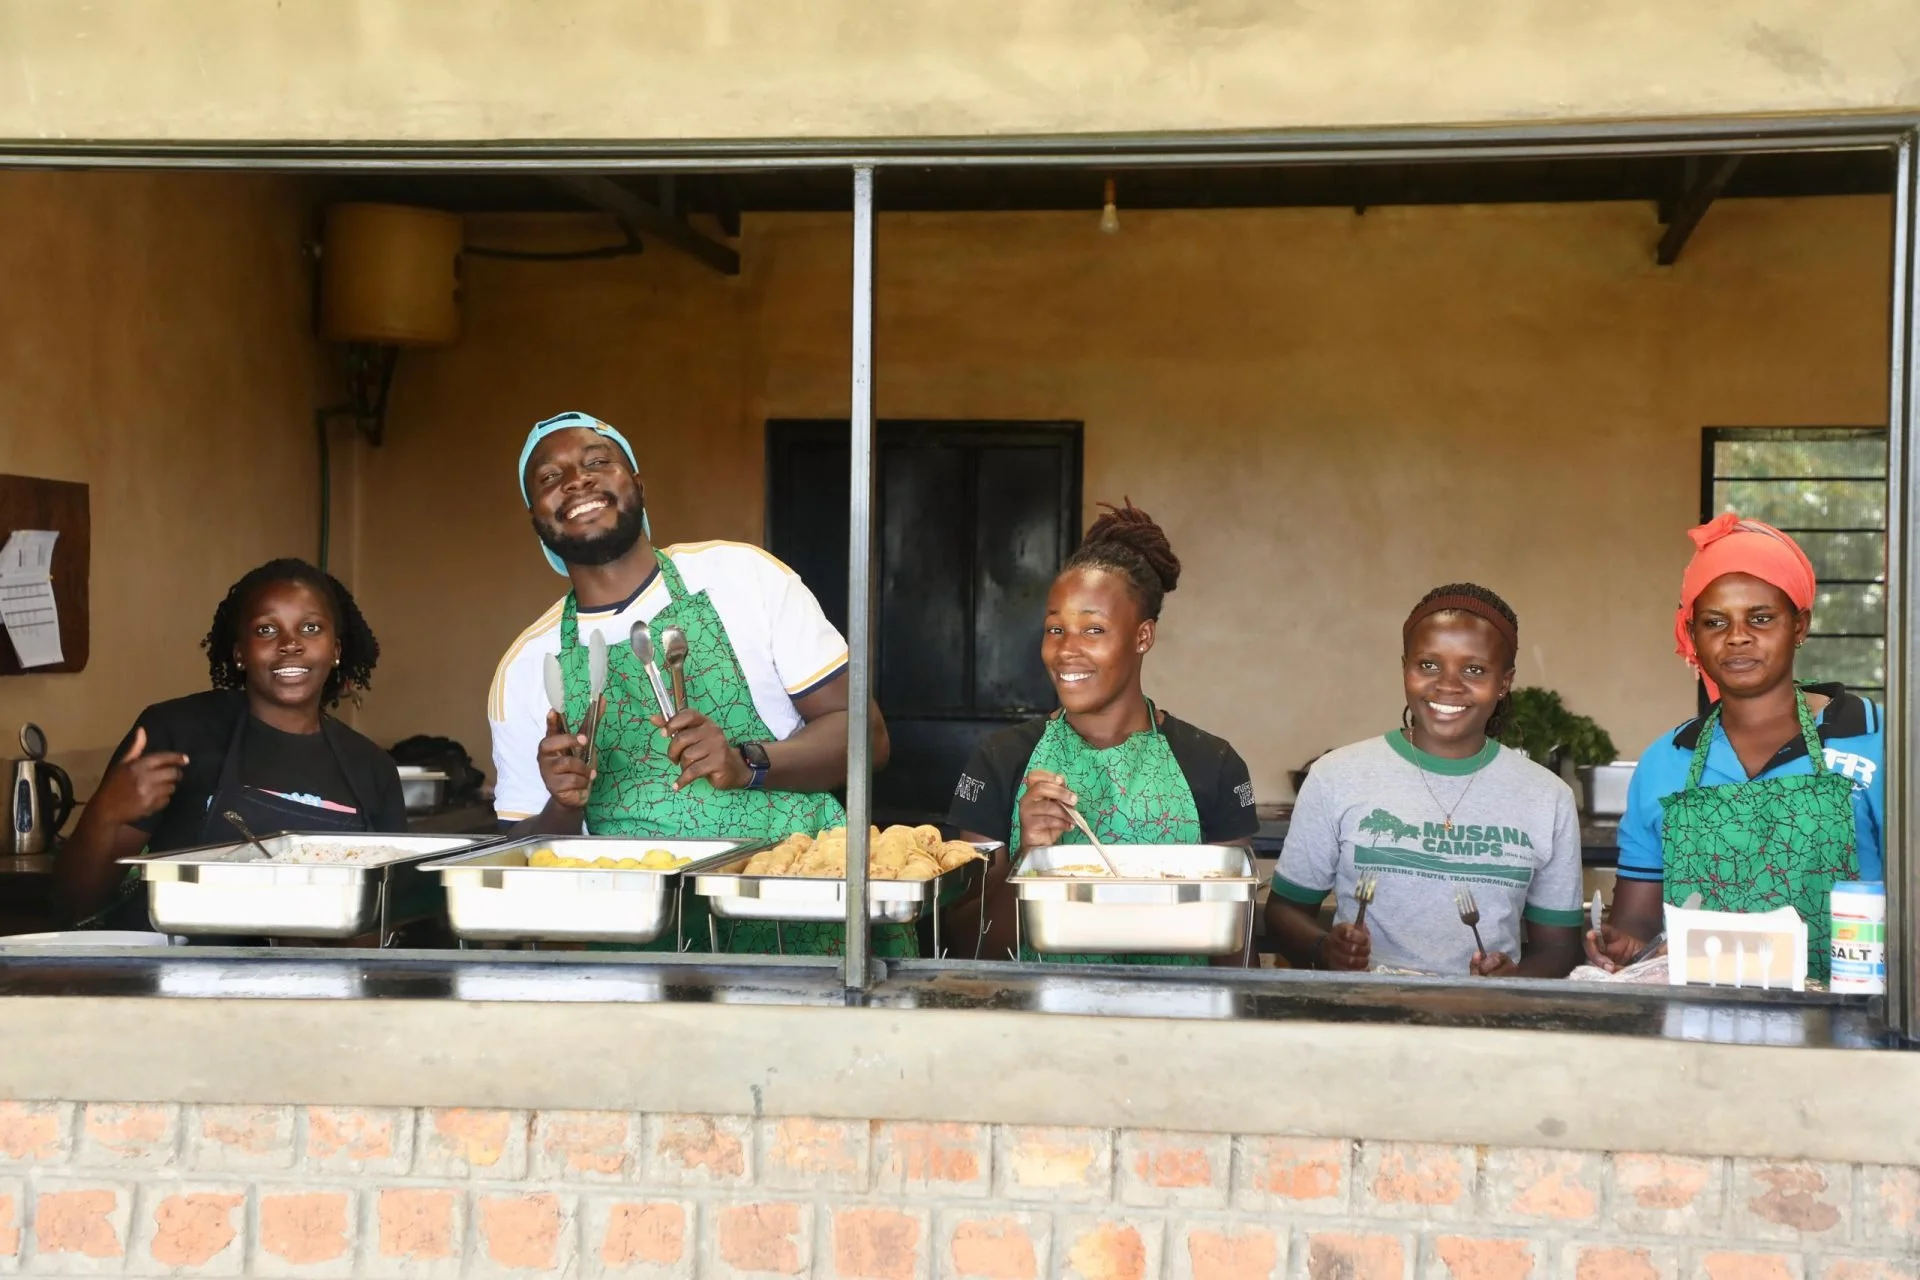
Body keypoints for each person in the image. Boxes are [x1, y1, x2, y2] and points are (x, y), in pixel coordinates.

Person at [489, 411, 892, 954]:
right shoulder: (527, 667)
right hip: (649, 944)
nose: (577, 481)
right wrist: (564, 806)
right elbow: (518, 858)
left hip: (808, 906)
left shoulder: (743, 578)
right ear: (536, 518)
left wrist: (747, 762)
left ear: (638, 484)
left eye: (596, 462)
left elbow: (869, 737)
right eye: (550, 478)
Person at [947, 500, 1259, 966]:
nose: (1066, 651)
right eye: (1055, 629)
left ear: (1142, 637)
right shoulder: (1001, 760)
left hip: (1178, 1026)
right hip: (1034, 1025)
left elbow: (1239, 948)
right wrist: (1028, 858)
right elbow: (963, 946)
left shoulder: (1211, 764)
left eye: (1093, 629)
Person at [1586, 514, 1883, 984]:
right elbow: (1638, 929)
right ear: (1694, 637)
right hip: (1700, 1028)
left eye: (1761, 618)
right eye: (1715, 621)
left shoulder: (1876, 739)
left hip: (1847, 1025)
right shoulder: (1667, 761)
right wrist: (1623, 948)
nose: (1737, 636)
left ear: (1800, 624)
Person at [57, 559, 407, 928]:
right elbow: (76, 904)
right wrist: (104, 815)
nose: (290, 644)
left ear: (335, 649)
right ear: (240, 652)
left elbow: (388, 916)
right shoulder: (176, 732)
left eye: (310, 627)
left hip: (315, 980)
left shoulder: (371, 768)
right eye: (267, 629)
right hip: (176, 975)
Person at [1266, 584, 1583, 977]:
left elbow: (1559, 949)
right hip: (1363, 1021)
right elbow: (1283, 911)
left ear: (1504, 682)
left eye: (1475, 669)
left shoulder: (1547, 797)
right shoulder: (1337, 775)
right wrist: (1323, 948)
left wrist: (1513, 980)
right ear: (1405, 668)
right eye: (1428, 665)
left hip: (1486, 1026)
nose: (1447, 685)